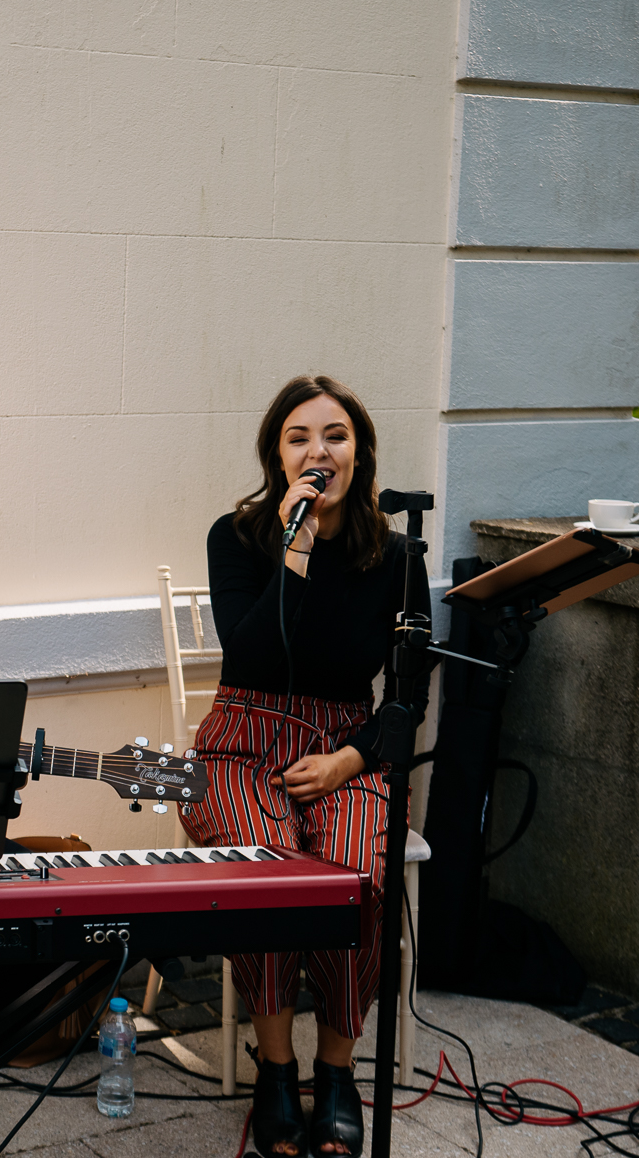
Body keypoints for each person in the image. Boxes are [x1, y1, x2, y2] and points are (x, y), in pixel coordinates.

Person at [179, 374, 428, 1158]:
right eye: (299, 438)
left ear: (360, 451)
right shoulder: (238, 535)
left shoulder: (398, 555)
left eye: (335, 436)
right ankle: (276, 1070)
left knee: (357, 874)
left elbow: (409, 694)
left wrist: (347, 761)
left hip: (349, 748)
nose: (318, 451)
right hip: (241, 740)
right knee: (269, 875)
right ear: (276, 456)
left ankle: (339, 1070)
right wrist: (297, 542)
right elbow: (250, 650)